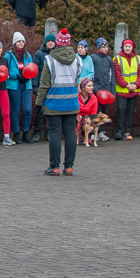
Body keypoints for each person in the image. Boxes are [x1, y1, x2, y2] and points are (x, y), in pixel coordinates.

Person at [34, 28, 81, 175]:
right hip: (72, 102)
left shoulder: (49, 60)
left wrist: (38, 103)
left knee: (54, 134)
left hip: (53, 103)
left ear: (57, 43)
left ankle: (54, 166)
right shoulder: (78, 59)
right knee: (70, 134)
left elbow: (44, 84)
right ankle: (69, 167)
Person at [5, 32, 36, 143]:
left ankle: (26, 133)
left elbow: (31, 68)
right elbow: (6, 72)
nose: (21, 43)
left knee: (28, 109)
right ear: (14, 43)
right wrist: (17, 76)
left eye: (23, 41)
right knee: (15, 110)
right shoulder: (8, 55)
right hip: (14, 85)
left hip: (26, 85)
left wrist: (28, 76)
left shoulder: (27, 55)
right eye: (19, 41)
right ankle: (16, 133)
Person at [112, 39, 140, 141]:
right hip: (122, 90)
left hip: (134, 90)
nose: (128, 48)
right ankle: (119, 131)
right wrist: (126, 85)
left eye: (129, 46)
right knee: (121, 110)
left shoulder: (138, 58)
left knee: (130, 111)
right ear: (123, 47)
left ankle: (127, 131)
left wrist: (136, 85)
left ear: (132, 47)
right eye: (126, 46)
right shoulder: (117, 59)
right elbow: (117, 74)